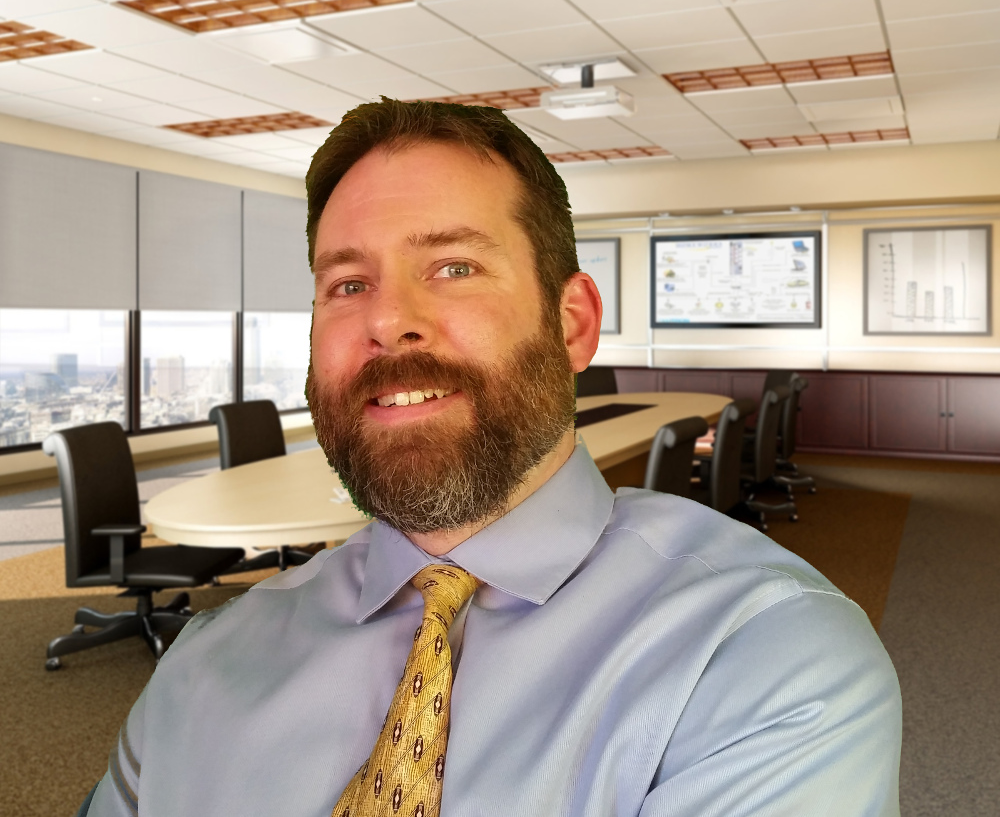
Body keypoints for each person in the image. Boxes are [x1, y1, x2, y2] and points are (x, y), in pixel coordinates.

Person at [87, 99, 901, 817]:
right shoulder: (201, 671)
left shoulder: (763, 657)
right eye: (347, 285)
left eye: (454, 267)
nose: (389, 321)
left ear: (573, 323)